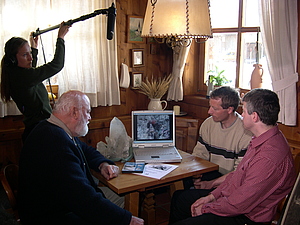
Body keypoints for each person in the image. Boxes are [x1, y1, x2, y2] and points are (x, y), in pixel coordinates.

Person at [168, 88, 297, 225]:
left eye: (244, 111)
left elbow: (239, 204)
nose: (241, 115)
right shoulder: (261, 139)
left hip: (247, 217)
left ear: (254, 116)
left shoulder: (268, 157)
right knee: (181, 200)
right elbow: (237, 177)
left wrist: (206, 208)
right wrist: (212, 196)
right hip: (236, 202)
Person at [18, 90, 144, 225]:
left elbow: (85, 149)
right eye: (88, 112)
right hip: (55, 216)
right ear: (74, 112)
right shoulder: (54, 143)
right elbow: (82, 198)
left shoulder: (53, 129)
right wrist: (126, 219)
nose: (90, 117)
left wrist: (102, 164)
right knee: (127, 201)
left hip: (59, 205)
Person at [0, 22, 70, 142]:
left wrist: (34, 48)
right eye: (25, 55)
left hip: (38, 129)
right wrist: (60, 38)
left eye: (30, 54)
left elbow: (31, 71)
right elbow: (56, 65)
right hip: (41, 131)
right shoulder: (22, 77)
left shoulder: (16, 73)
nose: (30, 58)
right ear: (12, 60)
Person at [187, 86, 252, 190]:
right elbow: (199, 155)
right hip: (209, 171)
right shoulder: (208, 124)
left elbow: (239, 173)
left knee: (182, 199)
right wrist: (196, 174)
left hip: (229, 180)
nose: (209, 111)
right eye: (210, 106)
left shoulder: (246, 133)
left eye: (215, 108)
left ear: (229, 109)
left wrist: (211, 184)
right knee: (182, 183)